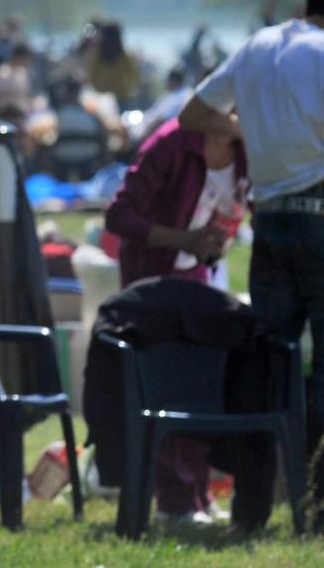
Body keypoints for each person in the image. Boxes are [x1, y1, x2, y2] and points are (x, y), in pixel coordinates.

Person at [179, 0, 324, 538]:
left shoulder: (257, 46)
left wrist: (248, 129)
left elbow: (195, 112)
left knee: (269, 365)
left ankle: (252, 509)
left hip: (270, 224)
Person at [104, 118, 248, 526]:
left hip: (195, 274)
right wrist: (182, 240)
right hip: (151, 277)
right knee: (162, 383)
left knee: (198, 381)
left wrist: (213, 244)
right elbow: (118, 217)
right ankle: (174, 500)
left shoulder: (244, 153)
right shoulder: (169, 145)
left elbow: (229, 212)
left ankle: (198, 492)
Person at [85, 20, 140, 109]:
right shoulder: (125, 56)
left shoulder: (97, 55)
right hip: (117, 97)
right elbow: (133, 77)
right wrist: (130, 91)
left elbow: (91, 76)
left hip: (104, 98)